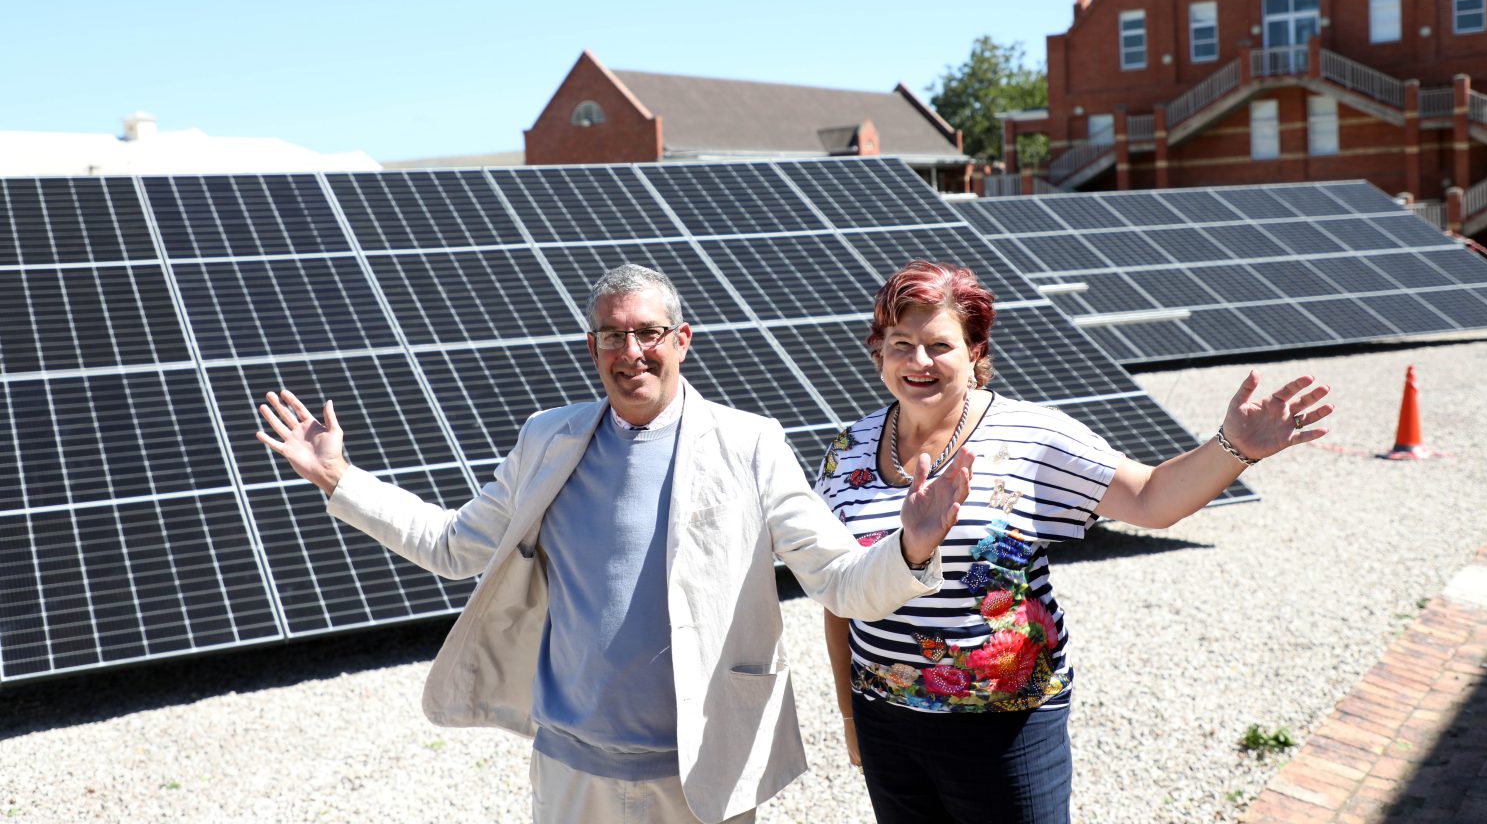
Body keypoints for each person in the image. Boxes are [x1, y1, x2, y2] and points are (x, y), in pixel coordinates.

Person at [254, 263, 973, 824]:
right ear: (591, 346)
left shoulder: (749, 443)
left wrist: (908, 550)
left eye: (648, 332)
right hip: (574, 773)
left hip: (703, 771)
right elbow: (453, 547)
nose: (631, 353)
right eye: (611, 335)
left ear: (681, 340)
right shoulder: (549, 438)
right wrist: (340, 480)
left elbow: (838, 580)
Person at [817, 261, 1333, 824]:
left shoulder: (1033, 436)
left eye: (939, 344)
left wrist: (1233, 447)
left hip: (1006, 724)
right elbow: (837, 591)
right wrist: (849, 717)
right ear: (879, 351)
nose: (919, 362)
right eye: (901, 344)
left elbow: (1150, 498)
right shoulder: (850, 448)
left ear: (975, 351)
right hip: (885, 718)